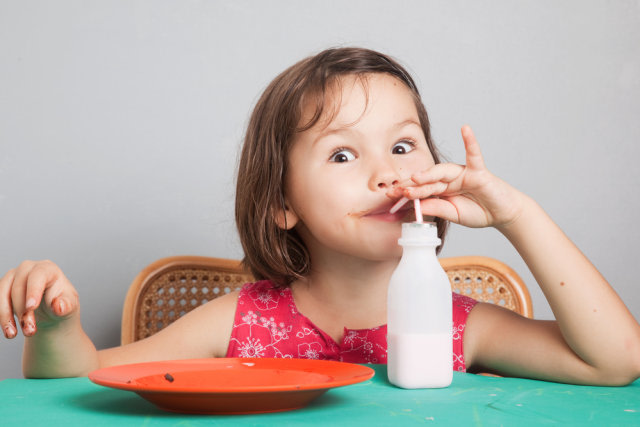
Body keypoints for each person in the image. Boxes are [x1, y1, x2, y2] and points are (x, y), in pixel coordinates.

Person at [1, 47, 639, 385]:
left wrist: (515, 213)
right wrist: (56, 325)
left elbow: (615, 363)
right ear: (281, 203)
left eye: (401, 145)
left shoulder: (459, 325)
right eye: (341, 153)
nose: (386, 173)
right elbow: (81, 381)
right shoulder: (242, 320)